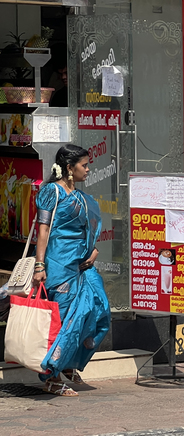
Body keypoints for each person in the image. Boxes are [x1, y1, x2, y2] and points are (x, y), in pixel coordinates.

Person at [33, 144, 111, 397]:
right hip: (58, 263)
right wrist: (40, 265)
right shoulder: (51, 193)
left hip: (82, 263)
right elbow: (43, 231)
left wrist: (94, 250)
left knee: (99, 308)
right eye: (84, 165)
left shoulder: (81, 197)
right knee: (65, 319)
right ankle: (52, 376)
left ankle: (67, 362)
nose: (88, 169)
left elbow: (86, 229)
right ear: (69, 167)